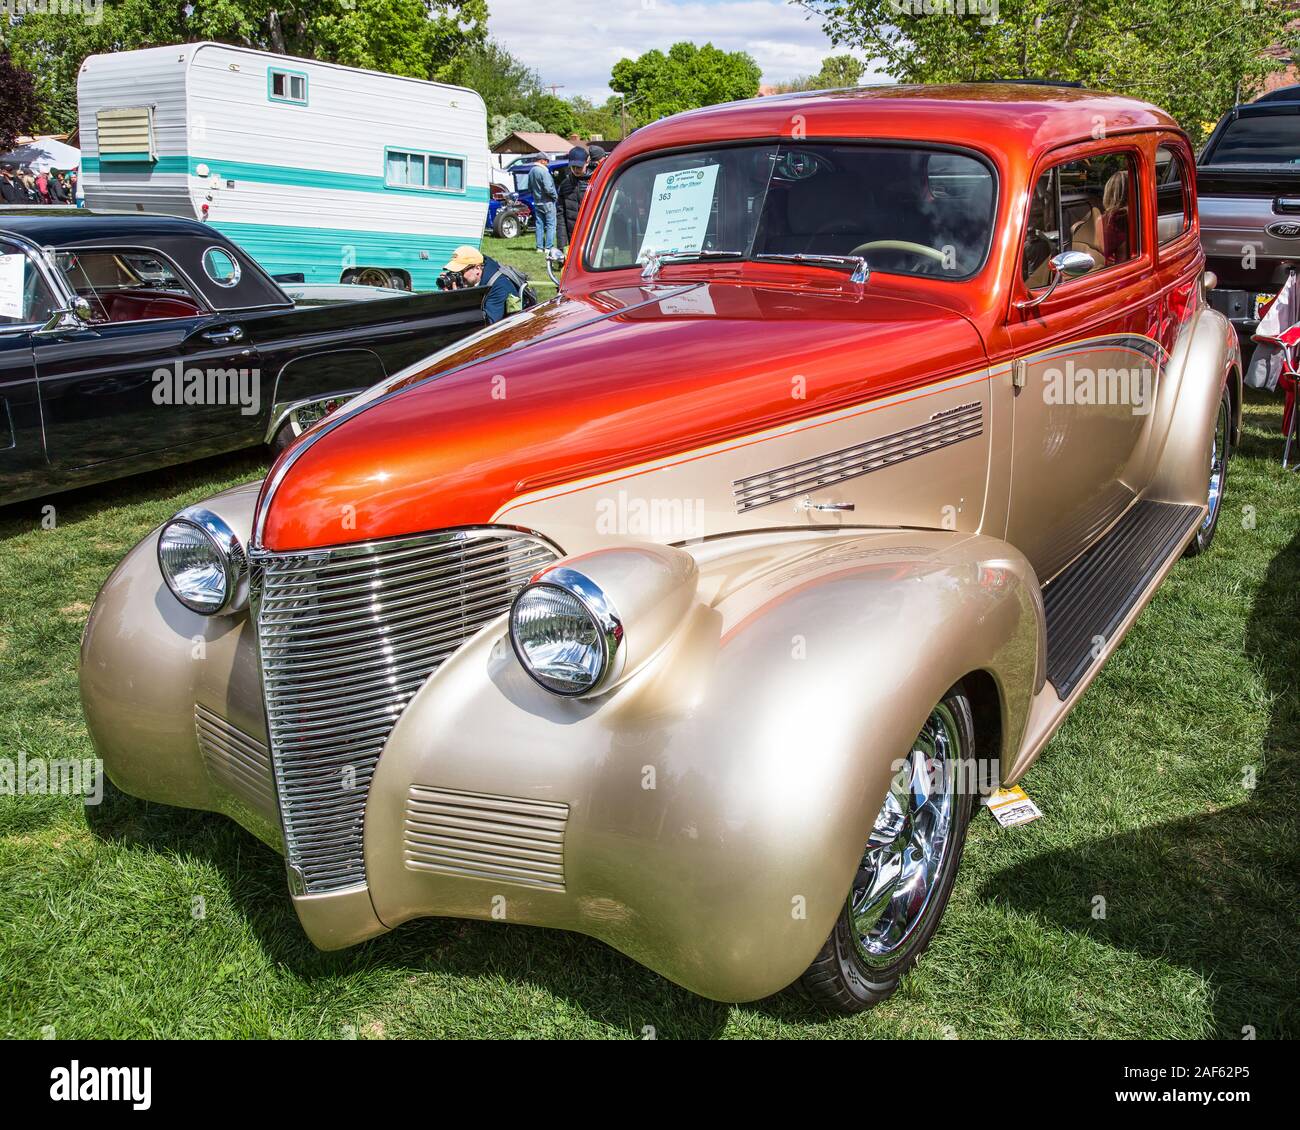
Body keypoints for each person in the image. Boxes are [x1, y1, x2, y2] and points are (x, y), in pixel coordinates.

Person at [442, 245, 517, 324]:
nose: (458, 276)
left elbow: (488, 324)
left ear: (477, 268)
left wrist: (459, 301)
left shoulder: (499, 286)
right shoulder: (471, 281)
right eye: (454, 272)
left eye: (461, 272)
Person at [555, 145, 591, 250]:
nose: (575, 170)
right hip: (574, 236)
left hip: (593, 234)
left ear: (587, 162)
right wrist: (562, 246)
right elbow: (561, 216)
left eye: (579, 167)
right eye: (573, 167)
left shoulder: (596, 181)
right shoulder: (565, 185)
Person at [527, 153, 558, 256]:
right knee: (551, 225)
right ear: (542, 160)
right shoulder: (543, 171)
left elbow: (529, 188)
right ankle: (548, 248)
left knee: (539, 224)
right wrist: (555, 196)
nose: (547, 163)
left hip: (537, 201)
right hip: (547, 201)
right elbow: (548, 188)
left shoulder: (531, 171)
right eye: (547, 161)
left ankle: (539, 247)